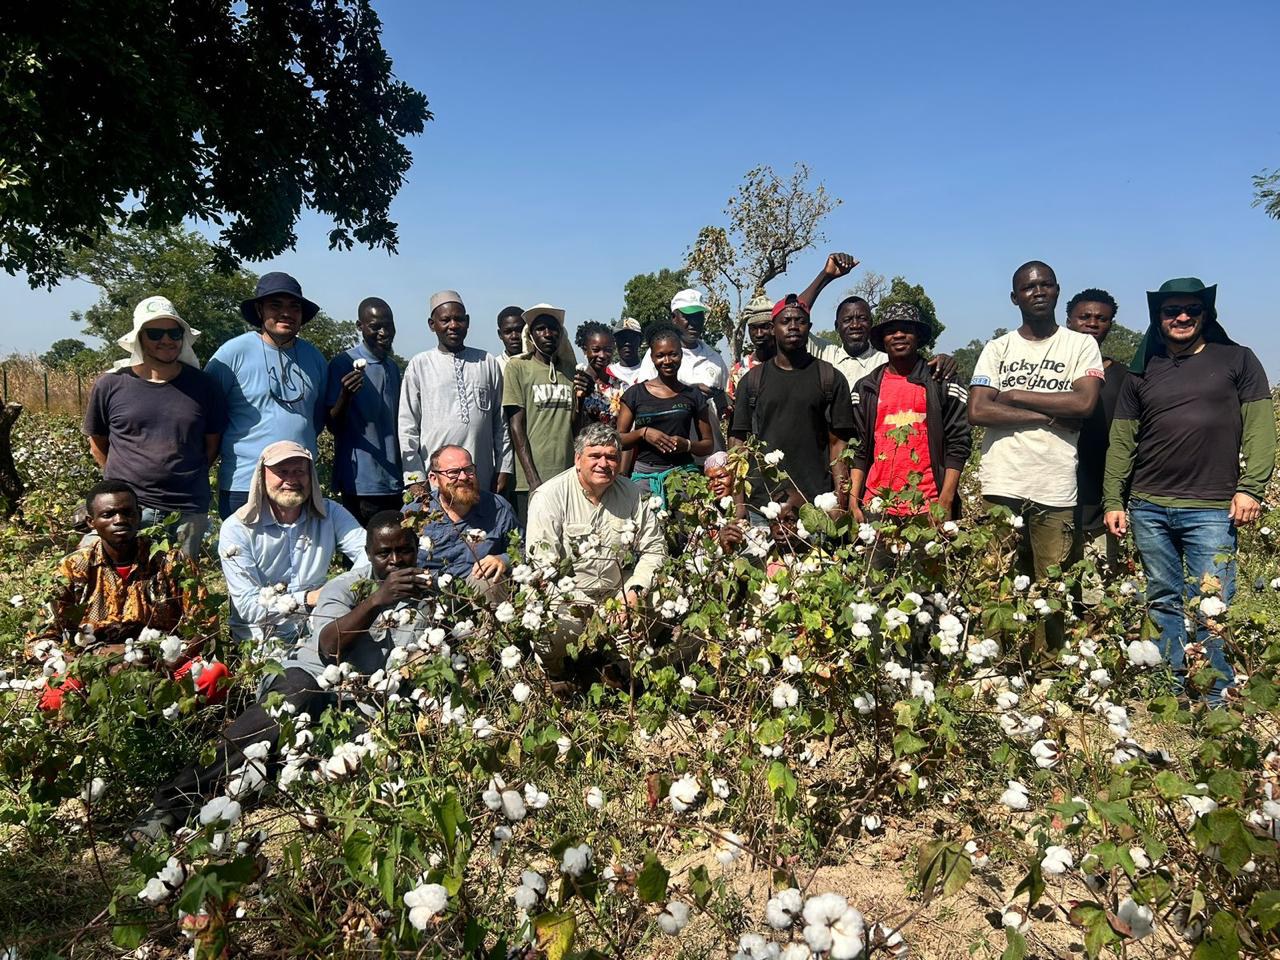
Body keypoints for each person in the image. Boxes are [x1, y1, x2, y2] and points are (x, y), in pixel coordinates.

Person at [127, 513, 425, 847]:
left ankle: (271, 768)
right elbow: (329, 646)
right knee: (292, 697)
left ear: (417, 549)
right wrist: (376, 601)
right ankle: (171, 805)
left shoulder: (433, 595)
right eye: (385, 553)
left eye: (405, 551)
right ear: (369, 553)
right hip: (311, 681)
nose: (396, 561)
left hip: (364, 706)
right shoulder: (349, 587)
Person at [1103, 278, 1275, 696]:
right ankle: (1172, 687)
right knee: (1162, 598)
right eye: (1171, 311)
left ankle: (1217, 692)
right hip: (1148, 505)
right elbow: (1123, 439)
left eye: (1191, 310)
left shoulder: (1237, 360)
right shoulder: (1144, 369)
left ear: (1205, 315)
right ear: (1158, 318)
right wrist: (1114, 499)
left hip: (1213, 507)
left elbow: (1260, 428)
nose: (1181, 317)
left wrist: (1251, 487)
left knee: (1212, 605)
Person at [967, 261, 1103, 654]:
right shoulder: (998, 348)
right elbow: (978, 410)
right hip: (1001, 481)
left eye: (1045, 285)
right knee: (993, 577)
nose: (1038, 292)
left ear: (1057, 290)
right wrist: (1047, 415)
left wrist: (1012, 395)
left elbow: (1084, 402)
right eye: (1029, 288)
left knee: (1053, 583)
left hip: (1055, 483)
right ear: (1015, 298)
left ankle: (1047, 667)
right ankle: (993, 661)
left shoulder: (1080, 345)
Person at [34, 480, 225, 711]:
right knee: (55, 698)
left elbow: (206, 627)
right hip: (92, 668)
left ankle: (179, 725)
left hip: (161, 665)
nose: (119, 520)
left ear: (138, 515)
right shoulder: (72, 568)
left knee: (214, 674)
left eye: (127, 513)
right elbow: (40, 639)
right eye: (108, 514)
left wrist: (161, 658)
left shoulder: (172, 562)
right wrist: (93, 661)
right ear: (91, 522)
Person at [83, 296, 225, 557]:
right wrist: (121, 485)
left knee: (179, 587)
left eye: (174, 332)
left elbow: (212, 444)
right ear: (140, 338)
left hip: (188, 507)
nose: (167, 340)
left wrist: (183, 476)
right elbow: (98, 443)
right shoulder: (111, 384)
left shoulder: (204, 386)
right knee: (124, 582)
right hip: (129, 508)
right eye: (155, 333)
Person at [525, 424, 667, 680]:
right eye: (595, 456)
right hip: (568, 600)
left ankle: (615, 665)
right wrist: (591, 611)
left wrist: (634, 591)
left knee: (668, 593)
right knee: (547, 625)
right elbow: (543, 570)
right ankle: (555, 675)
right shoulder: (548, 497)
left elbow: (655, 549)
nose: (604, 463)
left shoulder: (633, 494)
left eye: (611, 457)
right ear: (578, 459)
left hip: (617, 594)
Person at [218, 441, 366, 647]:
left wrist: (339, 590)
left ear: (310, 476)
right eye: (282, 471)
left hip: (320, 626)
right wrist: (307, 599)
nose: (291, 479)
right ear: (262, 476)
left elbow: (369, 552)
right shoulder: (237, 528)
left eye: (299, 471)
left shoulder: (330, 513)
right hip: (263, 640)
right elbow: (248, 606)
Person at [730, 294, 855, 533]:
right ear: (773, 328)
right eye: (785, 321)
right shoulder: (752, 381)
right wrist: (739, 505)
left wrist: (840, 502)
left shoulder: (830, 378)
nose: (793, 327)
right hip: (762, 506)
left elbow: (839, 444)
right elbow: (738, 443)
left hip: (817, 504)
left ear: (809, 328)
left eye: (800, 321)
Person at [206, 273, 328, 519]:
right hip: (245, 483)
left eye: (294, 307)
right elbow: (206, 413)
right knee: (242, 555)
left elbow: (317, 417)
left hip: (298, 483)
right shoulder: (232, 354)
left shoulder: (314, 358)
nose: (286, 313)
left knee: (299, 556)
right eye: (276, 305)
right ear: (260, 310)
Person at [848, 303, 971, 521]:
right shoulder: (866, 388)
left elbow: (958, 444)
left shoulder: (942, 382)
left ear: (919, 336)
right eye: (890, 331)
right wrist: (853, 500)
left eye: (906, 329)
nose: (898, 335)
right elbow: (860, 448)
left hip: (929, 506)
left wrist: (945, 502)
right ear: (882, 340)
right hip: (877, 505)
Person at [399, 291, 510, 501]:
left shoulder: (486, 362)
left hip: (481, 474)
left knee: (482, 531)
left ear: (467, 322)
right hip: (436, 480)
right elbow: (407, 426)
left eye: (459, 319)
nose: (453, 325)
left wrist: (504, 467)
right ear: (432, 324)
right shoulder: (420, 364)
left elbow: (500, 422)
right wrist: (414, 478)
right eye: (445, 320)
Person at [501, 304, 594, 524]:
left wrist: (582, 397)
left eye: (553, 329)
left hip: (568, 475)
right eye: (540, 329)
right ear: (530, 335)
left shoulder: (571, 371)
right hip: (530, 479)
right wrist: (533, 480)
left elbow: (577, 427)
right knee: (535, 542)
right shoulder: (518, 368)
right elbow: (516, 427)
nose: (548, 334)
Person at [1063, 288, 1129, 592]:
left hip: (1102, 501)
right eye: (1084, 317)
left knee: (1097, 596)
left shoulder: (1126, 377)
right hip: (1052, 496)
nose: (1092, 323)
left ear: (1110, 325)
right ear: (1068, 321)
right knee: (1053, 591)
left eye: (1101, 318)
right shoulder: (1050, 371)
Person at [402, 444, 519, 602]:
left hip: (479, 598)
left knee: (489, 582)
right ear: (433, 479)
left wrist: (503, 559)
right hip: (429, 597)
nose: (464, 477)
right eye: (453, 472)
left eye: (469, 470)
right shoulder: (414, 513)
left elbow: (524, 551)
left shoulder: (498, 509)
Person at [617, 323, 714, 505]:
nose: (667, 361)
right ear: (652, 358)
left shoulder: (692, 395)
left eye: (673, 354)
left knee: (686, 533)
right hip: (645, 479)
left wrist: (686, 444)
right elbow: (618, 440)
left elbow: (708, 445)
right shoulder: (635, 394)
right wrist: (643, 433)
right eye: (660, 355)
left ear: (681, 355)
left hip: (684, 478)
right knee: (646, 531)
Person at [326, 296, 403, 525]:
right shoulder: (342, 364)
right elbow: (332, 424)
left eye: (388, 325)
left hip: (394, 480)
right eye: (375, 326)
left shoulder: (392, 367)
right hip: (361, 483)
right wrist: (345, 395)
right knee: (362, 553)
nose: (383, 332)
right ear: (360, 327)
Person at [633, 289, 730, 391]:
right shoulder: (657, 356)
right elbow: (643, 397)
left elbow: (727, 400)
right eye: (688, 317)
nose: (694, 323)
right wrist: (690, 393)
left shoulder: (716, 360)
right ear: (674, 318)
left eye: (698, 317)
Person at [576, 321, 625, 427]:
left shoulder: (620, 385)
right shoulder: (578, 383)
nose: (602, 355)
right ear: (585, 350)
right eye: (596, 350)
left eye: (607, 350)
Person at [728, 296, 776, 401]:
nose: (759, 334)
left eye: (765, 327)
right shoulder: (739, 371)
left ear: (774, 328)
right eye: (754, 328)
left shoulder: (789, 365)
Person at [609, 318, 645, 387]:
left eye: (632, 338)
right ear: (615, 342)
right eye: (622, 338)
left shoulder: (648, 372)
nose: (627, 343)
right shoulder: (608, 374)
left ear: (640, 341)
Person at [495, 306, 527, 371]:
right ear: (500, 334)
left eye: (519, 330)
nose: (514, 336)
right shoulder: (495, 366)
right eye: (508, 332)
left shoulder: (539, 363)